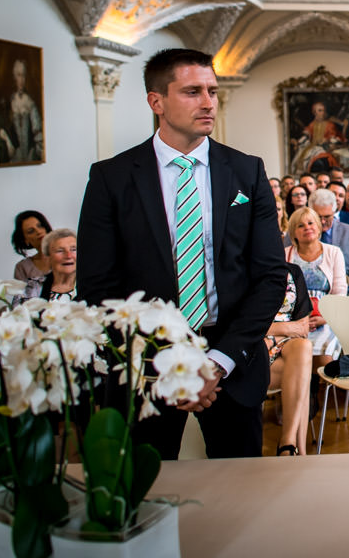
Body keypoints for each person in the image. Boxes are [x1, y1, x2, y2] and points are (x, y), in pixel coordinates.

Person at [77, 48, 287, 461]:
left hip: (231, 361)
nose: (209, 102)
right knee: (148, 495)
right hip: (146, 369)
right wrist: (167, 367)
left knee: (240, 499)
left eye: (212, 90)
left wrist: (218, 361)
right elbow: (99, 288)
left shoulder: (247, 171)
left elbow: (269, 276)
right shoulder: (112, 178)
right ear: (157, 101)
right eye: (192, 92)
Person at [283, 206, 348, 371]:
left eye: (311, 223)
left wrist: (326, 318)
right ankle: (307, 393)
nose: (307, 228)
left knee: (325, 358)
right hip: (293, 319)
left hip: (327, 318)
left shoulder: (334, 252)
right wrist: (297, 321)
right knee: (295, 356)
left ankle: (321, 394)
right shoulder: (285, 255)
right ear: (293, 232)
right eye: (301, 225)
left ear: (319, 227)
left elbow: (340, 292)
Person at [264, 262, 312, 456]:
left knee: (303, 347)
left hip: (286, 343)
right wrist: (285, 328)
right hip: (256, 347)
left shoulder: (292, 271)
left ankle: (288, 441)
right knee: (302, 373)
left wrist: (275, 333)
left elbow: (303, 327)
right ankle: (296, 450)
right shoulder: (243, 268)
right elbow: (244, 325)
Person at [284, 189, 349, 275]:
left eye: (327, 216)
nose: (322, 221)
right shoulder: (297, 232)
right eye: (318, 217)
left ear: (334, 211)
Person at [0, 58, 43, 164]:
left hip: (31, 156)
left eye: (23, 75)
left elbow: (38, 133)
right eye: (18, 75)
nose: (21, 79)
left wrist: (36, 154)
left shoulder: (30, 103)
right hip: (14, 158)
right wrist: (7, 140)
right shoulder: (7, 103)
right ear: (13, 76)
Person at [11, 209, 52, 286]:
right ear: (25, 240)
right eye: (31, 231)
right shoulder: (22, 268)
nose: (39, 232)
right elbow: (20, 296)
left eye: (40, 226)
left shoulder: (68, 255)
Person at [37, 228, 78, 300]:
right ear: (48, 257)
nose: (68, 256)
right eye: (60, 251)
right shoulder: (32, 286)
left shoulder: (92, 286)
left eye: (73, 249)